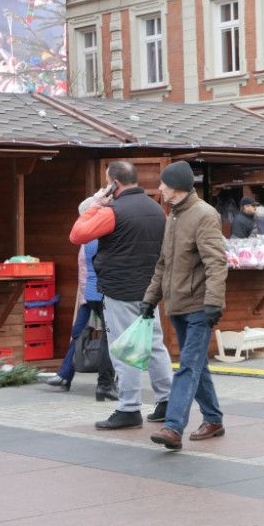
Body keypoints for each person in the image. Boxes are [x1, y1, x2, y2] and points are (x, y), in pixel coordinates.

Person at [70, 160, 172, 430]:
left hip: (120, 291)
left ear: (114, 182)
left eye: (106, 182)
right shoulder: (156, 209)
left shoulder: (113, 211)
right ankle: (167, 401)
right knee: (155, 344)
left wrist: (95, 204)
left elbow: (77, 235)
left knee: (125, 349)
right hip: (150, 289)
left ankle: (128, 408)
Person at [144, 161, 228, 451]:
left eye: (163, 183)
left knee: (187, 367)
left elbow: (216, 262)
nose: (159, 188)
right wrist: (149, 299)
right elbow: (163, 264)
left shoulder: (204, 215)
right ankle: (214, 419)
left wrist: (214, 302)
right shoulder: (174, 217)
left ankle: (173, 427)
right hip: (177, 305)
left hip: (199, 307)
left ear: (176, 187)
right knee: (197, 365)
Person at [41, 238, 118, 400]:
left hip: (93, 295)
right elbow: (87, 272)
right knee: (90, 334)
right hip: (95, 294)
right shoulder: (92, 241)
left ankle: (68, 375)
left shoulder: (91, 242)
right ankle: (68, 375)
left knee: (96, 334)